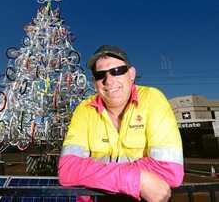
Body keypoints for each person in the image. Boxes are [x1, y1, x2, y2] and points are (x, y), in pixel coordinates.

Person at [58, 45, 184, 202]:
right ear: (94, 81)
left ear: (131, 74)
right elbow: (67, 170)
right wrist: (138, 180)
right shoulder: (84, 109)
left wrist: (93, 175)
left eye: (117, 71)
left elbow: (170, 171)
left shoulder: (153, 99)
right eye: (100, 74)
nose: (109, 80)